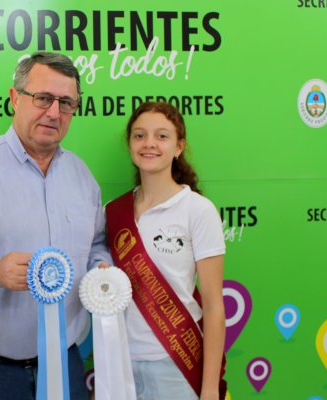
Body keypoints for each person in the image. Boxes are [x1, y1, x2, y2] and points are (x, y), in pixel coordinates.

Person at [0, 52, 112, 400]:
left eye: (66, 103)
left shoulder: (83, 177)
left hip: (66, 366)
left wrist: (101, 271)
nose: (54, 112)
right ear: (15, 98)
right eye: (43, 98)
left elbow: (97, 244)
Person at [104, 102, 226, 400]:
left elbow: (213, 306)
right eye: (139, 135)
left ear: (179, 147)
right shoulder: (113, 212)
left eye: (162, 136)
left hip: (176, 366)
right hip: (120, 364)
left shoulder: (197, 210)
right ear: (130, 144)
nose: (149, 144)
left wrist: (209, 389)